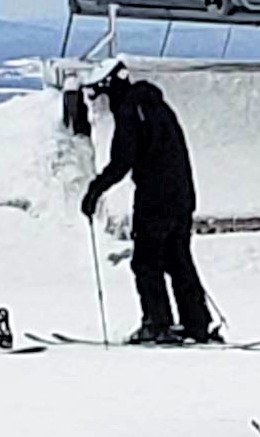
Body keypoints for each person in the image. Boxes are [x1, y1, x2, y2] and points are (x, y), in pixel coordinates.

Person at [80, 65, 217, 345]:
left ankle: (157, 323)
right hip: (182, 197)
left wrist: (95, 190)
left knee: (146, 262)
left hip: (155, 198)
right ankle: (196, 323)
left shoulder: (131, 111)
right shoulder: (158, 107)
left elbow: (122, 160)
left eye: (102, 96)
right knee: (178, 261)